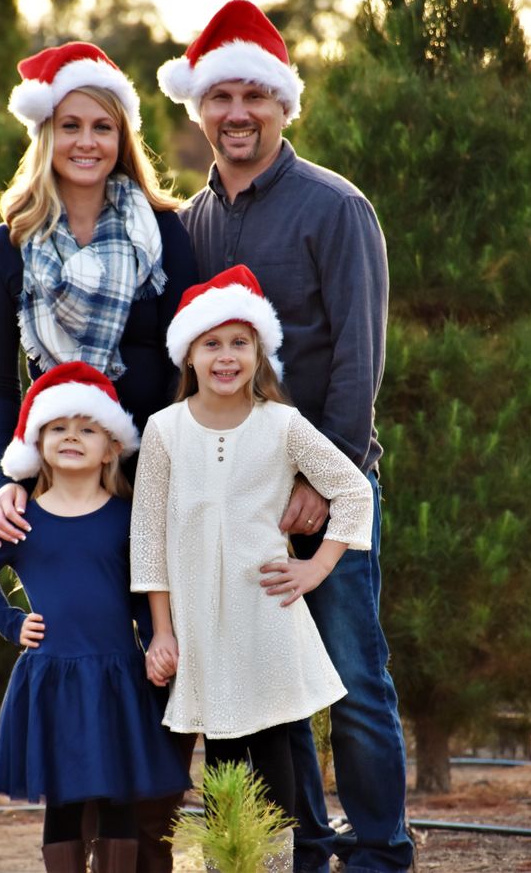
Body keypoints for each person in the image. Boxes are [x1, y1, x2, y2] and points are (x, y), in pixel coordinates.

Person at [156, 1, 414, 873]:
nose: (237, 112)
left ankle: (381, 852)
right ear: (198, 109)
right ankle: (303, 845)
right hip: (239, 499)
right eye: (220, 95)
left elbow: (356, 360)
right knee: (269, 688)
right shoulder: (191, 221)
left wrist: (319, 479)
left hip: (328, 490)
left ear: (283, 106)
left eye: (255, 96)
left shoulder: (334, 208)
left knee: (353, 682)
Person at [0, 41, 199, 871]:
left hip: (153, 476)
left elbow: (188, 361)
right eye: (71, 124)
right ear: (46, 133)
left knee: (153, 675)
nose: (87, 141)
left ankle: (151, 857)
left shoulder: (163, 235)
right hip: (66, 471)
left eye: (104, 124)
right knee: (79, 677)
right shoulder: (5, 249)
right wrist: (9, 479)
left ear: (124, 134)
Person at [130, 266, 374, 873]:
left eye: (240, 342)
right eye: (211, 343)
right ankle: (228, 864)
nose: (226, 356)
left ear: (259, 352)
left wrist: (316, 568)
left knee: (272, 753)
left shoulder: (280, 424)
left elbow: (353, 491)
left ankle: (272, 865)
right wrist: (162, 631)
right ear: (188, 354)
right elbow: (148, 537)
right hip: (198, 628)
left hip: (263, 621)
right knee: (222, 755)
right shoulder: (164, 431)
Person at [0, 361, 190, 872]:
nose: (72, 437)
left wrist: (158, 640)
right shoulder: (23, 521)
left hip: (118, 679)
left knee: (119, 798)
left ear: (112, 448)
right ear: (37, 444)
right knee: (63, 801)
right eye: (58, 428)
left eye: (88, 428)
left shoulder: (125, 517)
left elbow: (141, 590)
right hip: (53, 680)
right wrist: (12, 622)